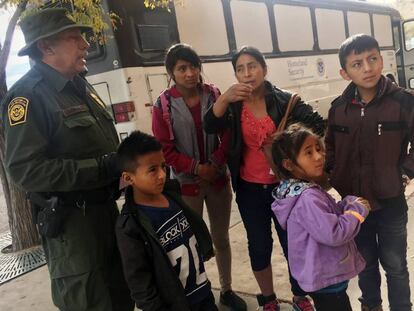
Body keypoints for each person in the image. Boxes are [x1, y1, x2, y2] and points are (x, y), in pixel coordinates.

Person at [0, 8, 134, 311]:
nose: (85, 44)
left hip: (105, 214)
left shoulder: (78, 85)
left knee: (121, 298)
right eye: (74, 38)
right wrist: (101, 168)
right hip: (74, 229)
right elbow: (25, 170)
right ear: (46, 47)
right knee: (90, 302)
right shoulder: (28, 97)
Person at [204, 46, 325, 311]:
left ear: (264, 69)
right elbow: (209, 126)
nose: (247, 73)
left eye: (252, 66)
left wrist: (290, 138)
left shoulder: (283, 100)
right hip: (249, 189)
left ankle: (299, 295)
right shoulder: (234, 105)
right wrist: (223, 99)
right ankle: (268, 298)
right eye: (240, 68)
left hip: (286, 189)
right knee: (259, 246)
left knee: (293, 243)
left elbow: (318, 124)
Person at [152, 43, 246, 311]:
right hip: (187, 186)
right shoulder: (163, 104)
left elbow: (228, 133)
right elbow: (164, 149)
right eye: (182, 69)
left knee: (221, 238)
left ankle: (226, 290)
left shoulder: (214, 95)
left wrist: (215, 164)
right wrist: (196, 169)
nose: (190, 73)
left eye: (193, 66)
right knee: (189, 243)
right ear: (172, 72)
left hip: (217, 180)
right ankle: (198, 295)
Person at [325, 34, 414, 311]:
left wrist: (405, 172)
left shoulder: (403, 101)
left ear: (381, 59)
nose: (367, 68)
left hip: (390, 203)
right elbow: (329, 149)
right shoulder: (339, 109)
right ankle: (371, 305)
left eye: (372, 59)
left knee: (396, 265)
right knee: (364, 264)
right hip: (354, 207)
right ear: (344, 72)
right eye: (357, 63)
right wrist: (333, 179)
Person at [271, 124, 370, 311]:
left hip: (322, 275)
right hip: (327, 278)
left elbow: (326, 217)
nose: (319, 156)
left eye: (318, 148)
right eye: (308, 153)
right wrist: (357, 211)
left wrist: (346, 203)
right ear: (289, 164)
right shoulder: (307, 198)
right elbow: (334, 233)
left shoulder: (299, 191)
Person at [115, 130, 218, 311]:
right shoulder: (130, 227)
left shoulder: (171, 195)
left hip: (204, 294)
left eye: (163, 166)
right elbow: (140, 283)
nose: (162, 175)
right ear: (128, 178)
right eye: (152, 170)